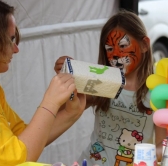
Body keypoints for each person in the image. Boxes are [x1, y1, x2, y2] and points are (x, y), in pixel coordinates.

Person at [0, 0, 86, 165]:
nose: (16, 49)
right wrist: (50, 102)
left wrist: (70, 112)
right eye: (10, 40)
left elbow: (22, 137)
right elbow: (20, 157)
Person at [54, 10, 166, 166]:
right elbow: (61, 115)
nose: (116, 55)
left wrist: (146, 156)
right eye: (109, 49)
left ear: (145, 45)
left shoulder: (158, 90)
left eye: (123, 46)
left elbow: (163, 144)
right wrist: (68, 76)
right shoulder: (101, 81)